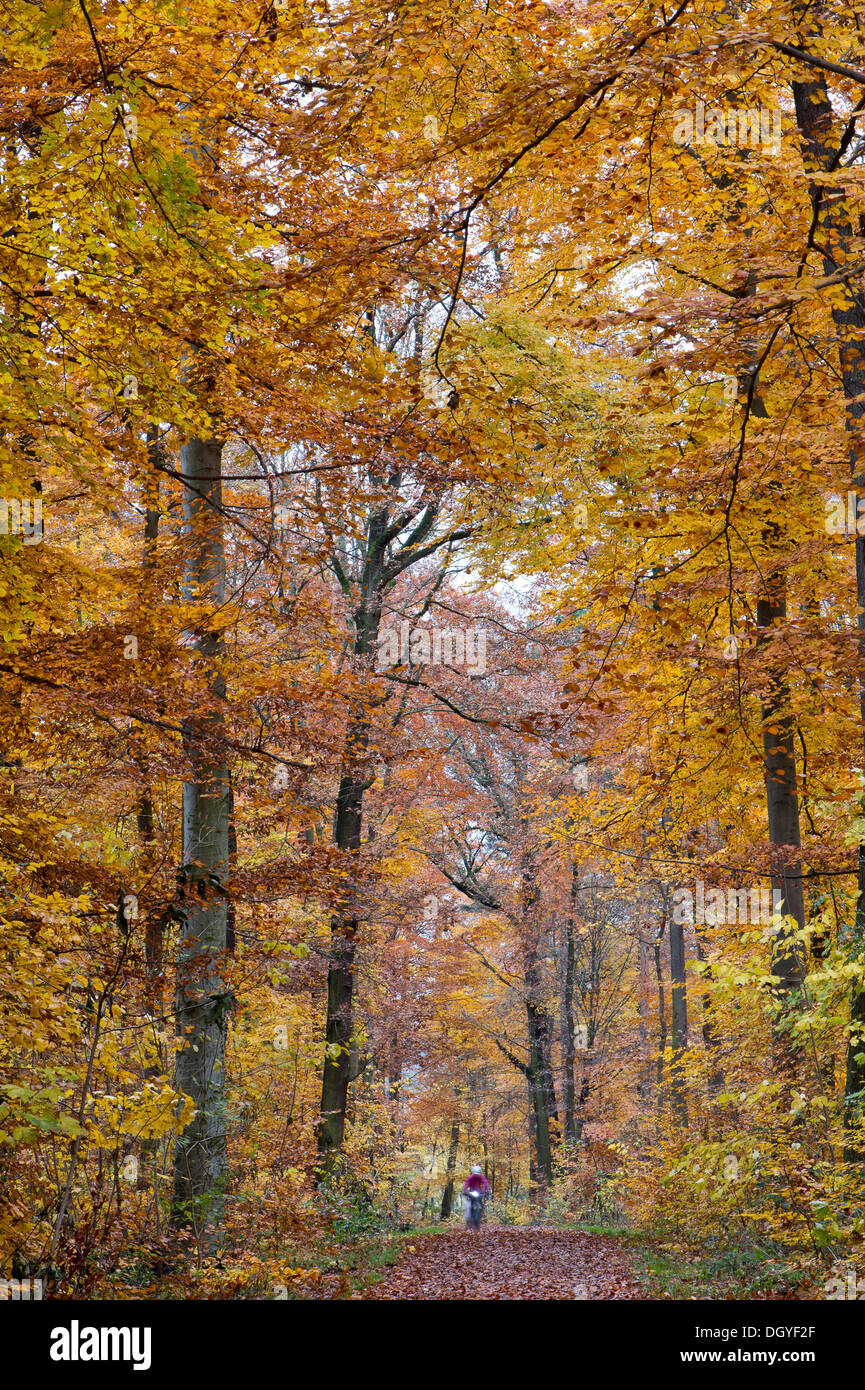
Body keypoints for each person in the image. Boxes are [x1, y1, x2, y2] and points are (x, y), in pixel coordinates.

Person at [462, 1165, 491, 1229]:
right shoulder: (471, 1177)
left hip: (479, 1192)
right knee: (470, 1205)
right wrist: (465, 1190)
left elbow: (485, 1182)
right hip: (472, 1192)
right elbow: (467, 1183)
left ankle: (480, 1214)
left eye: (477, 1174)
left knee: (481, 1204)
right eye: (475, 1174)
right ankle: (469, 1218)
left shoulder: (481, 1177)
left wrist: (487, 1188)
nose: (476, 1175)